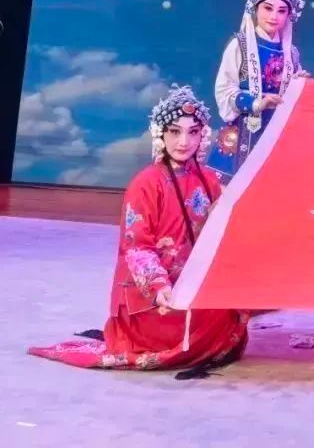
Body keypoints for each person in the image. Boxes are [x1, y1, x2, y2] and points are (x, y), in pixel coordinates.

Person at [28, 86, 249, 372]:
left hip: (190, 285)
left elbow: (219, 238)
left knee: (229, 312)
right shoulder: (145, 183)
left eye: (193, 132)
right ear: (160, 134)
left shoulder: (208, 180)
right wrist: (159, 287)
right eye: (174, 132)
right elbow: (137, 246)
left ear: (202, 135)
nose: (184, 142)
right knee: (200, 325)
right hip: (152, 296)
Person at [207, 0, 307, 184]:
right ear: (255, 8)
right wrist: (256, 103)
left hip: (276, 135)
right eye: (268, 8)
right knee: (227, 196)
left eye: (282, 11)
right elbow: (224, 89)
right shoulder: (239, 45)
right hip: (242, 131)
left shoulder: (292, 54)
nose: (274, 16)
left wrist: (301, 86)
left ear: (289, 15)